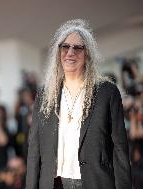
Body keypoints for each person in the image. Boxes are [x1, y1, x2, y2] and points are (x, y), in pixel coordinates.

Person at [26, 19, 131, 189]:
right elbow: (34, 151)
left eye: (78, 48)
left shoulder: (107, 92)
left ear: (87, 53)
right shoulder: (44, 94)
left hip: (97, 182)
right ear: (58, 52)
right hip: (54, 184)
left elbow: (120, 149)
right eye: (65, 47)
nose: (70, 52)